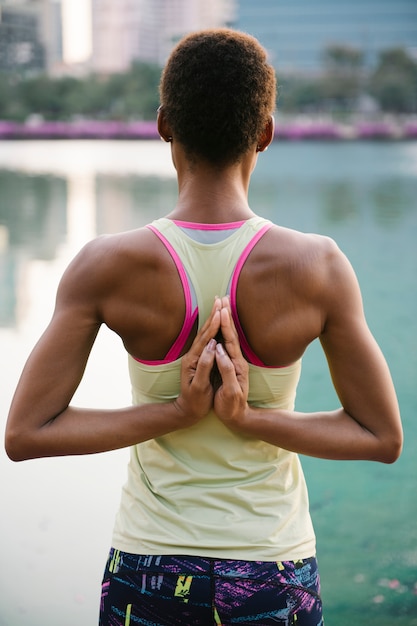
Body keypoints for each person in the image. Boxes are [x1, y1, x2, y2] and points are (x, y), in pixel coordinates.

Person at [5, 29, 402, 626]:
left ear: (163, 124)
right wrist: (251, 419)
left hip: (149, 566)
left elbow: (27, 434)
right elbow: (380, 436)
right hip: (272, 569)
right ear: (265, 132)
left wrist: (175, 413)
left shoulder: (105, 265)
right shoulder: (317, 267)